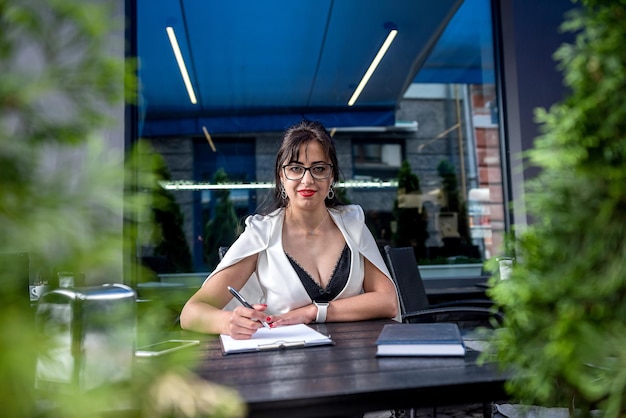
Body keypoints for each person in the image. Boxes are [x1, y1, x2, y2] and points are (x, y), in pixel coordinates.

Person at [180, 120, 399, 338]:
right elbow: (191, 313)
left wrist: (313, 312)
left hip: (357, 360)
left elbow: (388, 301)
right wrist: (230, 322)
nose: (307, 179)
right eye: (295, 168)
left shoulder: (353, 224)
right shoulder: (262, 233)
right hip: (286, 362)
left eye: (319, 169)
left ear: (331, 176)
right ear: (281, 176)